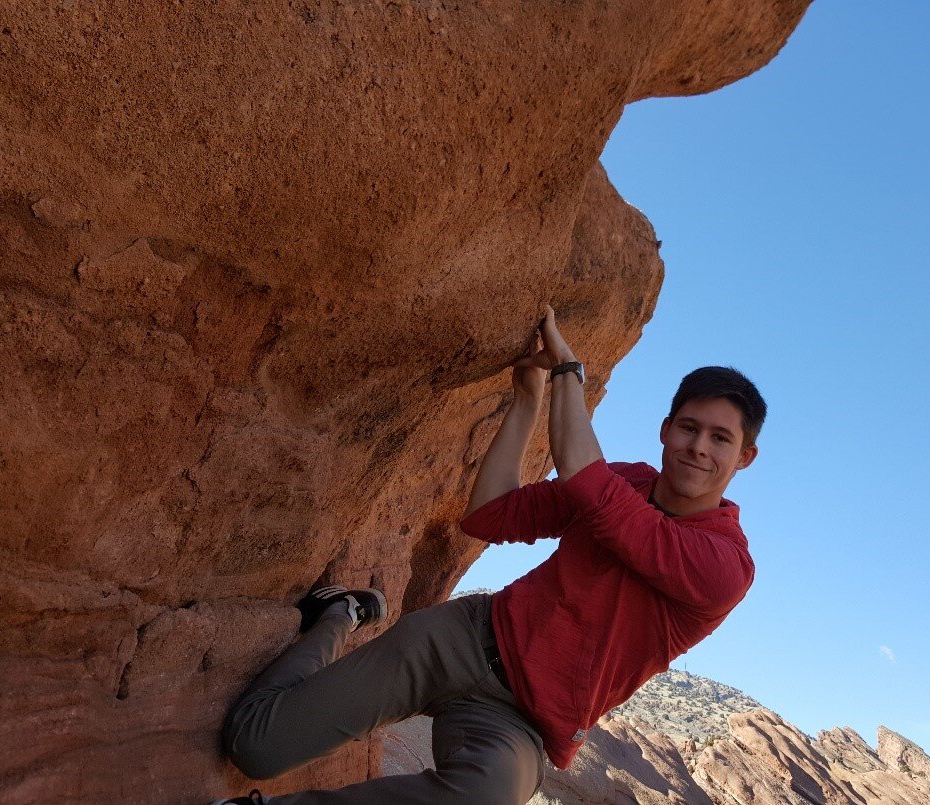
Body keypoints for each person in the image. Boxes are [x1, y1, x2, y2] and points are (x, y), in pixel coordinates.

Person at [215, 306, 764, 804]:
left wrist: (568, 371)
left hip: (517, 722)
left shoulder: (723, 566)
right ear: (666, 430)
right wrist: (526, 401)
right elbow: (490, 514)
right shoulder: (626, 481)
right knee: (253, 747)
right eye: (690, 428)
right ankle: (339, 614)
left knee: (489, 795)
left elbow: (588, 483)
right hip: (461, 638)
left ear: (745, 457)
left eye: (721, 438)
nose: (699, 446)